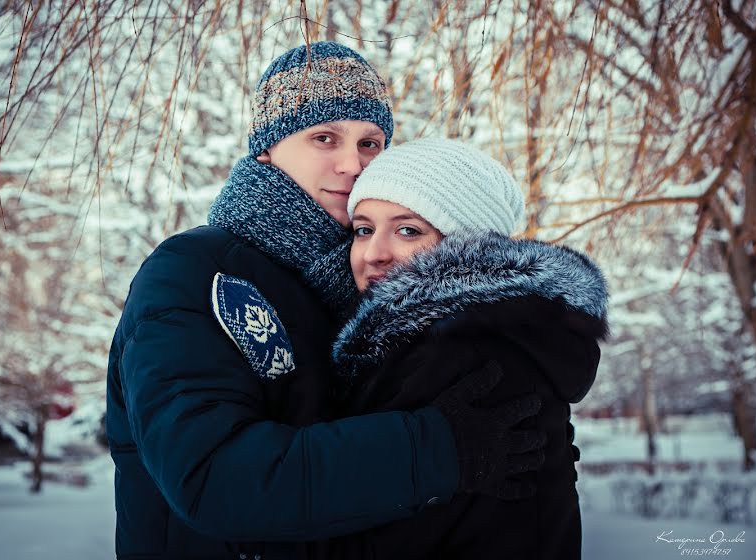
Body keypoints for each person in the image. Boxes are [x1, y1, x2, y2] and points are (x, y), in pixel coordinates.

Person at [106, 43, 545, 559]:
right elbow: (211, 478)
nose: (352, 164)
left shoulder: (375, 279)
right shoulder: (192, 271)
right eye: (324, 138)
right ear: (267, 149)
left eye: (371, 142)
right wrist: (435, 449)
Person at [315, 138, 608, 559]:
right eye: (363, 229)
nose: (374, 254)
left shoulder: (459, 355)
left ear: (467, 246)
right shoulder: (476, 336)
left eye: (407, 230)